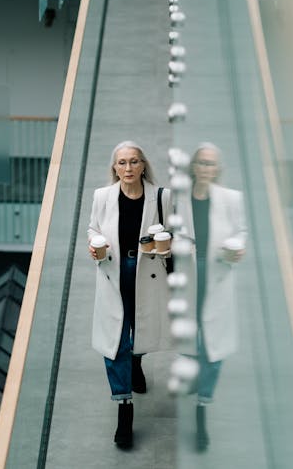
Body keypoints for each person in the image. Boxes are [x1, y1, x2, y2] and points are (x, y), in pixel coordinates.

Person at [87, 140, 173, 449]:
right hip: (114, 274)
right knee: (115, 342)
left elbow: (175, 233)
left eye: (134, 162)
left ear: (143, 165)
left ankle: (137, 361)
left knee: (142, 331)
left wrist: (165, 245)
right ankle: (125, 409)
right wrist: (97, 246)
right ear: (114, 167)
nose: (128, 168)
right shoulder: (102, 196)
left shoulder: (161, 196)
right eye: (122, 162)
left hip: (147, 276)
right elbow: (92, 229)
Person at [185, 142, 247, 451]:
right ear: (193, 166)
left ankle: (202, 409)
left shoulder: (231, 199)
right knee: (186, 337)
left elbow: (241, 233)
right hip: (186, 277)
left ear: (217, 169)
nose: (206, 168)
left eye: (211, 163)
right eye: (201, 162)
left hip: (216, 276)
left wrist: (236, 249)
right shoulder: (178, 199)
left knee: (214, 346)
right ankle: (193, 370)